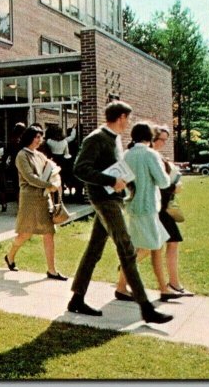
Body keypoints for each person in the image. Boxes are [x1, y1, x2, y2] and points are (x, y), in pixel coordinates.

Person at [66, 101, 173, 324]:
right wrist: (111, 180)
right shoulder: (96, 138)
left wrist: (126, 183)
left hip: (113, 199)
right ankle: (146, 308)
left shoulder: (114, 139)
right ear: (121, 117)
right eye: (128, 118)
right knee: (126, 248)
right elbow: (80, 168)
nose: (129, 123)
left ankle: (77, 298)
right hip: (104, 200)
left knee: (94, 249)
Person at [113, 123, 181, 302]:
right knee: (149, 248)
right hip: (148, 207)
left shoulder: (126, 155)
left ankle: (162, 289)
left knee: (152, 246)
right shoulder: (150, 155)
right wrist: (172, 175)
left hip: (134, 206)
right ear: (150, 137)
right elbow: (164, 182)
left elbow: (122, 180)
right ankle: (124, 286)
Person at [4, 126, 68, 280]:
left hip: (44, 198)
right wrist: (49, 186)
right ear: (29, 137)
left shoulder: (40, 155)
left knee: (49, 233)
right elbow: (30, 177)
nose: (40, 140)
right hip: (30, 200)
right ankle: (10, 256)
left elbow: (53, 170)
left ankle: (52, 270)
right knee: (25, 234)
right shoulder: (21, 155)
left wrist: (56, 181)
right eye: (37, 137)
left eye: (41, 137)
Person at [153, 126, 194, 297]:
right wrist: (173, 188)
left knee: (170, 242)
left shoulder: (157, 156)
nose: (163, 143)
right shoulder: (151, 156)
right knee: (151, 247)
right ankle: (124, 273)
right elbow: (157, 183)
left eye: (165, 139)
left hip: (162, 206)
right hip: (157, 207)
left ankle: (174, 283)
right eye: (161, 139)